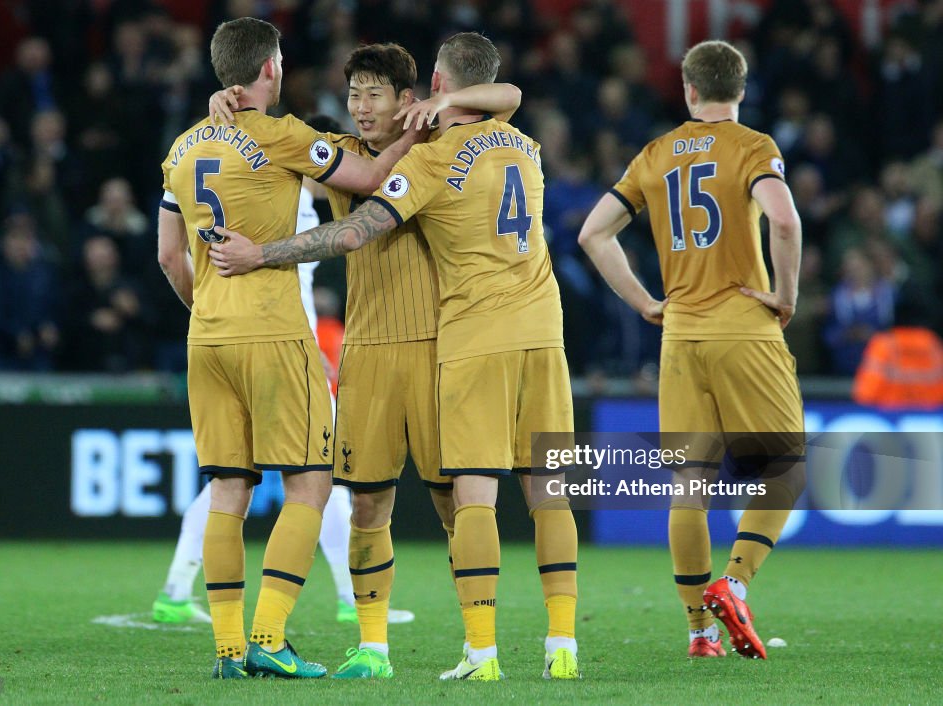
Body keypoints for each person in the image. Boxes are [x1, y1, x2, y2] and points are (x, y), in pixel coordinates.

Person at [209, 32, 581, 682]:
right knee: (367, 507)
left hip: (445, 349)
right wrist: (228, 99)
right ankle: (373, 647)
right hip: (370, 357)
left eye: (373, 94)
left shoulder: (443, 150)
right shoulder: (342, 156)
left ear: (410, 98)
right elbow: (271, 137)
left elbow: (507, 95)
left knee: (454, 504)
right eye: (353, 94)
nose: (360, 106)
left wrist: (442, 111)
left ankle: (478, 643)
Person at [156, 17, 423, 680]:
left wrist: (209, 310)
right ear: (270, 68)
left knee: (226, 491)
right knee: (309, 482)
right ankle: (269, 637)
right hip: (273, 332)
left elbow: (167, 257)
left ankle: (226, 651)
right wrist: (414, 134)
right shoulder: (282, 136)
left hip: (207, 337)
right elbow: (368, 178)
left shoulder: (183, 147)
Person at [578, 40, 806, 660]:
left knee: (690, 483)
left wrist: (645, 303)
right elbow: (784, 221)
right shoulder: (754, 147)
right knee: (785, 468)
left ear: (688, 89)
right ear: (741, 87)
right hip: (743, 327)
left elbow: (592, 233)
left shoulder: (653, 155)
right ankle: (732, 583)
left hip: (679, 332)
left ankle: (699, 633)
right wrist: (785, 296)